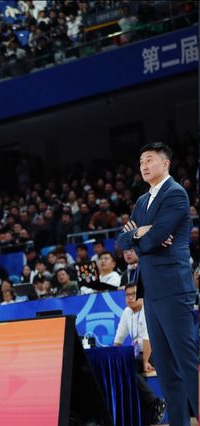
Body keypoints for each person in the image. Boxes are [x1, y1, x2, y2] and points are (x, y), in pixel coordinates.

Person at [117, 142, 198, 425]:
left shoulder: (175, 193)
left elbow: (154, 239)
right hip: (150, 291)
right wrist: (142, 232)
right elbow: (122, 241)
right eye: (141, 162)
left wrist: (142, 236)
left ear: (165, 163)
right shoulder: (142, 201)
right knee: (163, 364)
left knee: (186, 361)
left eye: (149, 160)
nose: (144, 166)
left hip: (173, 287)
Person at [113, 283, 166, 424]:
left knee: (129, 371)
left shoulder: (147, 310)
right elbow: (119, 338)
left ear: (141, 296)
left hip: (155, 352)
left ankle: (156, 403)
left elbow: (148, 338)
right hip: (138, 354)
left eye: (133, 294)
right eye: (127, 295)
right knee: (123, 369)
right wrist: (114, 356)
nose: (130, 297)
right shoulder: (127, 312)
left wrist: (146, 361)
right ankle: (138, 412)